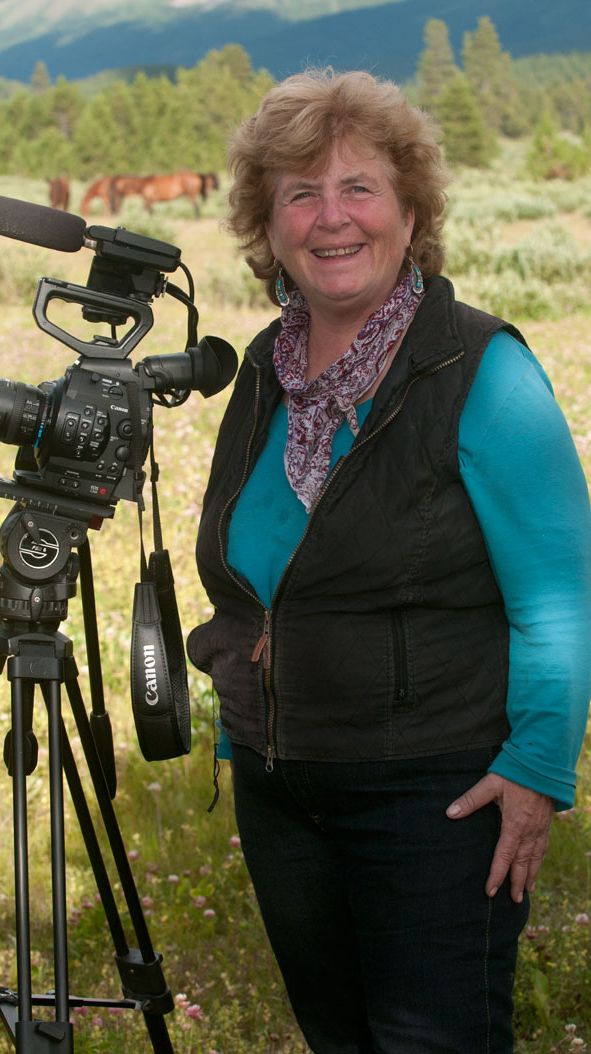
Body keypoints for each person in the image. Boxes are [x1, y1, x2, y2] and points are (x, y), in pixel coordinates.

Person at [186, 68, 591, 1054]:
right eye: (301, 193)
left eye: (358, 187)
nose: (333, 217)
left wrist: (537, 766)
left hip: (436, 790)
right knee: (340, 1038)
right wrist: (247, 726)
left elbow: (560, 591)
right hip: (286, 786)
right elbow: (252, 574)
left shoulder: (478, 367)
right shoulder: (261, 374)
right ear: (267, 227)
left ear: (409, 211)